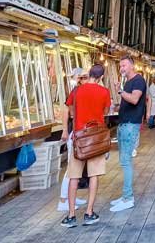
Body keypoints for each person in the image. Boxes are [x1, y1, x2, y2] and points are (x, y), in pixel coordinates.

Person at [61, 64, 111, 228]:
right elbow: (105, 112)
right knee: (93, 176)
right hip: (95, 138)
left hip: (79, 138)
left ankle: (71, 215)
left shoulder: (77, 91)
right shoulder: (104, 92)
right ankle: (89, 213)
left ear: (89, 74)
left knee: (73, 177)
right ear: (101, 77)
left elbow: (69, 110)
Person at [110, 55, 146, 213]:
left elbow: (134, 99)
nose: (121, 68)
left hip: (130, 125)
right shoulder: (129, 82)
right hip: (124, 124)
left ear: (132, 66)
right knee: (124, 161)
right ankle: (125, 195)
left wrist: (119, 90)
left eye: (124, 65)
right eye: (120, 66)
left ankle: (128, 198)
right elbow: (127, 101)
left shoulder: (138, 80)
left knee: (126, 162)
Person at [58, 68, 89, 212]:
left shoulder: (79, 91)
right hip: (74, 132)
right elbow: (66, 111)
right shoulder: (75, 91)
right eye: (83, 77)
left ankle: (71, 197)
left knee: (75, 169)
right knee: (71, 169)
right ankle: (63, 200)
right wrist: (65, 129)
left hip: (78, 132)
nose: (85, 79)